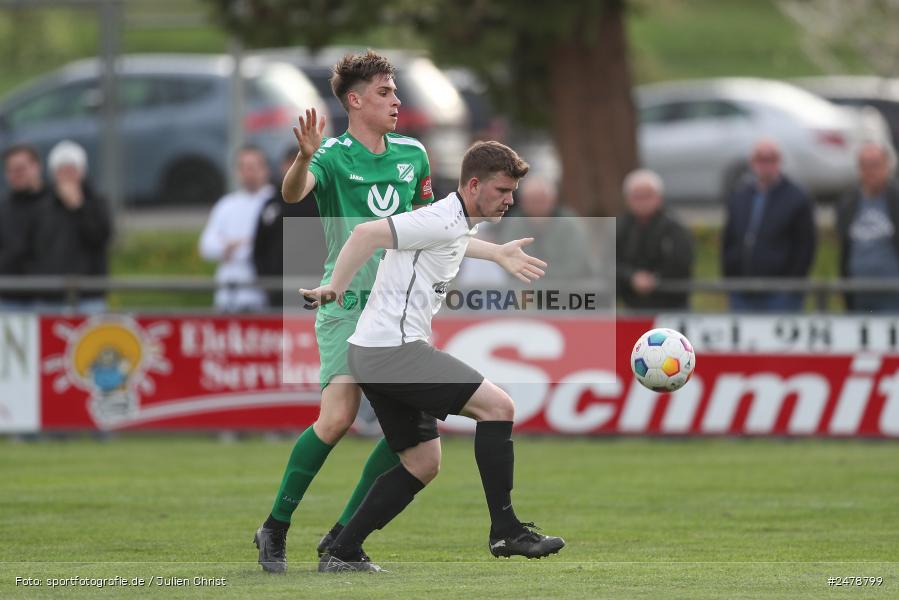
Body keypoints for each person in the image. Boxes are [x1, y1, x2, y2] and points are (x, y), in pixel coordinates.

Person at [253, 51, 543, 574]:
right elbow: (295, 194)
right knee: (338, 418)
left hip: (396, 312)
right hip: (345, 305)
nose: (397, 100)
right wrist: (301, 158)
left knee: (410, 440)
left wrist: (492, 250)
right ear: (355, 100)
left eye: (395, 91)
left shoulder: (413, 154)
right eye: (386, 93)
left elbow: (433, 229)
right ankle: (275, 526)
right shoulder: (333, 154)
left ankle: (342, 537)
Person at [302, 141, 562, 573]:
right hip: (392, 351)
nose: (510, 199)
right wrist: (336, 287)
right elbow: (365, 233)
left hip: (375, 351)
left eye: (513, 191)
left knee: (423, 463)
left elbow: (452, 240)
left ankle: (342, 550)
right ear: (474, 184)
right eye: (502, 190)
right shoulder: (442, 218)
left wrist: (496, 253)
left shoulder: (455, 222)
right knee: (499, 406)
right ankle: (506, 531)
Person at [721, 139, 816, 312]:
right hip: (742, 292)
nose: (765, 165)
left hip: (780, 295)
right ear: (752, 162)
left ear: (779, 162)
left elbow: (805, 246)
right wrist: (730, 277)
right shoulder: (740, 195)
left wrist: (791, 285)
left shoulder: (797, 198)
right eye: (760, 159)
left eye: (771, 159)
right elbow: (729, 239)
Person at [31, 140, 112, 313]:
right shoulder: (42, 206)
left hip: (89, 296)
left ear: (82, 171)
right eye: (62, 170)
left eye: (72, 169)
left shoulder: (97, 202)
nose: (67, 175)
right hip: (50, 297)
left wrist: (79, 208)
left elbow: (101, 236)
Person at [199, 145, 273, 312]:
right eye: (243, 168)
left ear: (264, 169)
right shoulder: (226, 204)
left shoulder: (273, 202)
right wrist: (229, 246)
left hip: (259, 295)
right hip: (227, 294)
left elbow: (266, 248)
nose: (248, 173)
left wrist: (236, 246)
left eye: (253, 168)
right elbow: (206, 247)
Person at [252, 147, 327, 308]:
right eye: (290, 164)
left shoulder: (324, 203)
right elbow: (259, 247)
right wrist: (266, 282)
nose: (295, 169)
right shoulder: (272, 205)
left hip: (316, 287)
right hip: (279, 288)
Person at [616, 169, 693, 310]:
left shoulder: (674, 227)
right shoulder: (621, 227)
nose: (642, 202)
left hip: (671, 306)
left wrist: (655, 280)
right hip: (633, 306)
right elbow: (611, 263)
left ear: (659, 197)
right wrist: (631, 277)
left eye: (647, 196)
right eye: (637, 197)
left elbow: (681, 264)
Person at [836, 142, 899, 312]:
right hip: (858, 294)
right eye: (865, 165)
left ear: (887, 166)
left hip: (893, 294)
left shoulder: (895, 200)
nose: (870, 171)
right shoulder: (848, 203)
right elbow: (844, 247)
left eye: (875, 165)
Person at [501, 175, 593, 282]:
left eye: (541, 200)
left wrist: (539, 275)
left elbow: (575, 265)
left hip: (570, 287)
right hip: (528, 287)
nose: (536, 205)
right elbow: (511, 261)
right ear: (522, 202)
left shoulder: (569, 223)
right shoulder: (514, 223)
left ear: (553, 200)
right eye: (532, 200)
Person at [0, 144, 47, 309]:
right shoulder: (4, 208)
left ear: (37, 167)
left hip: (49, 298)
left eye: (21, 168)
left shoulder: (56, 203)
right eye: (11, 170)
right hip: (8, 297)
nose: (16, 174)